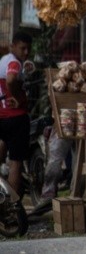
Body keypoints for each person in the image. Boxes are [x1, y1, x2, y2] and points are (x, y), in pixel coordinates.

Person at [0, 31, 32, 197]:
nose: (26, 52)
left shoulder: (3, 60)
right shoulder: (14, 62)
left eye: (28, 49)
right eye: (22, 48)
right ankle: (11, 206)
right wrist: (17, 97)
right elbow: (11, 79)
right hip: (16, 118)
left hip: (2, 117)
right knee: (16, 163)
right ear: (13, 46)